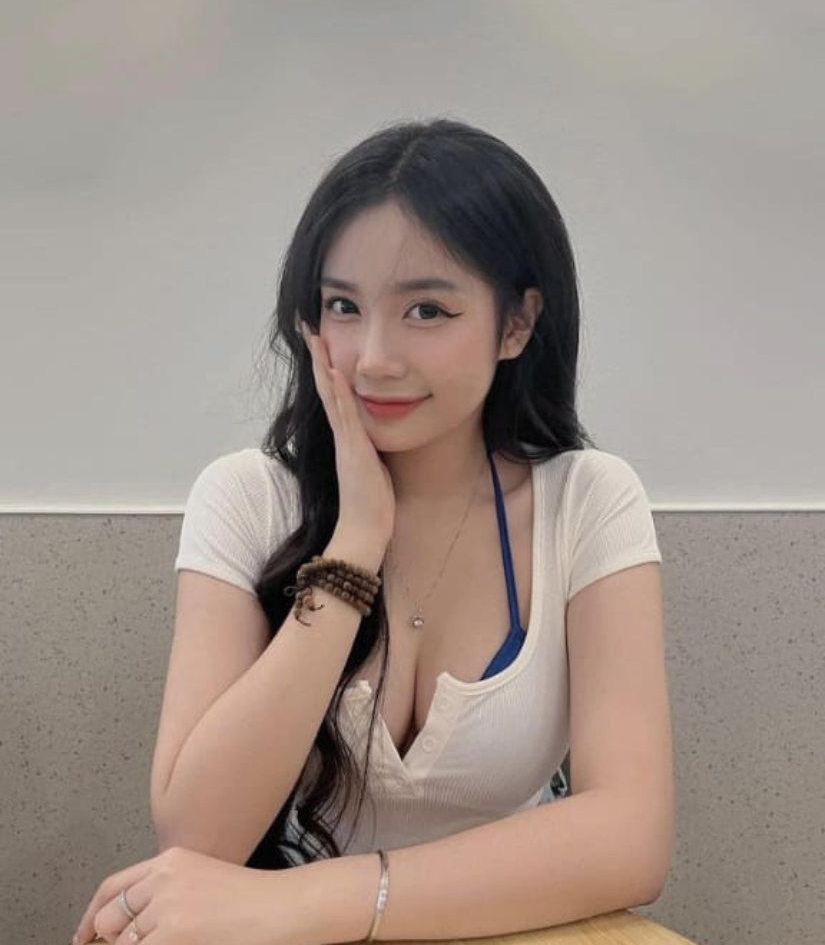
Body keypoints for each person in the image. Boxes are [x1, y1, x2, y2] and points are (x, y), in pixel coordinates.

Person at [73, 117, 673, 945]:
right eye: (343, 307)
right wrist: (353, 548)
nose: (373, 358)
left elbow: (630, 839)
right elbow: (200, 835)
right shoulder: (249, 501)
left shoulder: (587, 502)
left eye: (427, 309)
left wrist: (305, 903)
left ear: (516, 324)